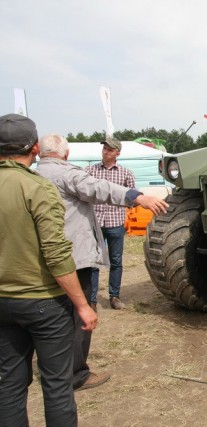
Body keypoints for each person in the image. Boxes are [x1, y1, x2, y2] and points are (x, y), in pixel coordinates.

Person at [37, 134, 168, 390]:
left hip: (44, 258)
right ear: (65, 154)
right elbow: (99, 188)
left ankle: (51, 368)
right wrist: (137, 197)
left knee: (50, 315)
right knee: (79, 315)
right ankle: (76, 374)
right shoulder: (68, 174)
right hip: (72, 256)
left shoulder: (31, 176)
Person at [0, 114, 97, 426]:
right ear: (33, 149)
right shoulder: (37, 188)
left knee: (9, 385)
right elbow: (56, 254)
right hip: (43, 302)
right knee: (56, 385)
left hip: (2, 302)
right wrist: (82, 305)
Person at [86, 136, 136, 310]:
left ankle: (114, 296)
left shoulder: (125, 173)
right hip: (96, 222)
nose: (105, 152)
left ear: (117, 153)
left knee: (116, 261)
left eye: (110, 149)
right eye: (104, 149)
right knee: (93, 261)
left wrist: (125, 208)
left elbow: (133, 197)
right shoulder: (90, 171)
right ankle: (91, 300)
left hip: (116, 222)